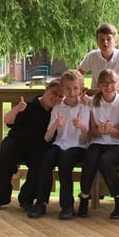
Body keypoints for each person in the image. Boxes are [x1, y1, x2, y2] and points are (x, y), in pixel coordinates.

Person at [0, 80, 63, 211]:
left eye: (60, 96)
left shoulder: (56, 112)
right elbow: (7, 120)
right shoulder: (29, 104)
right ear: (47, 89)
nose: (56, 98)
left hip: (37, 147)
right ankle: (0, 197)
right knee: (6, 152)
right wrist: (17, 109)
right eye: (54, 93)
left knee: (42, 160)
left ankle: (27, 199)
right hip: (17, 142)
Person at [28, 70, 90, 220]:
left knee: (65, 159)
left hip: (78, 147)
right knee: (47, 157)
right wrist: (55, 125)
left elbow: (85, 140)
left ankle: (67, 206)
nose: (72, 92)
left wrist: (82, 127)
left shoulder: (85, 107)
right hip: (60, 144)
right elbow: (47, 138)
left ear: (81, 89)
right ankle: (41, 203)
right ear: (62, 89)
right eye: (68, 88)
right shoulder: (58, 108)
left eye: (75, 88)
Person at [77, 69, 119, 220]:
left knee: (105, 161)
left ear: (118, 84)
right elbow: (92, 132)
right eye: (104, 83)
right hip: (98, 142)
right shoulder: (93, 102)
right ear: (99, 85)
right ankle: (84, 197)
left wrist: (112, 130)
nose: (108, 86)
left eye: (112, 82)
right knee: (90, 156)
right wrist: (100, 131)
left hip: (117, 144)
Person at [78, 22, 119, 97]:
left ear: (115, 42)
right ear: (97, 42)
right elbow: (77, 75)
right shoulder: (92, 56)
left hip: (118, 97)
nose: (105, 42)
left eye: (108, 39)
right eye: (101, 39)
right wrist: (81, 85)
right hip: (96, 97)